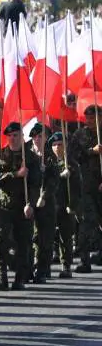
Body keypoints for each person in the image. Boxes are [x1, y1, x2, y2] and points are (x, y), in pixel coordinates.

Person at [0, 122, 41, 290]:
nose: (13, 139)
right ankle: (1, 277)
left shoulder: (31, 158)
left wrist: (31, 204)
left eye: (16, 135)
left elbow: (36, 185)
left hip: (23, 206)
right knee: (1, 241)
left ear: (22, 136)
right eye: (10, 136)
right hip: (4, 206)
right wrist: (16, 174)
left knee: (23, 243)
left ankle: (20, 278)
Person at [69, 105, 102, 274]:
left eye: (93, 118)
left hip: (100, 184)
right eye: (87, 118)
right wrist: (92, 151)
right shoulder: (79, 134)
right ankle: (84, 261)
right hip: (86, 186)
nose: (90, 121)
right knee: (86, 223)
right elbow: (73, 156)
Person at [29, 124, 58, 283]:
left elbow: (54, 181)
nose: (37, 139)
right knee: (33, 237)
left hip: (46, 203)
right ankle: (31, 267)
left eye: (41, 136)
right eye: (35, 136)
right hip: (30, 201)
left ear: (46, 138)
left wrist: (44, 196)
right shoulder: (28, 155)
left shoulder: (50, 156)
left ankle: (43, 269)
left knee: (45, 237)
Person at [50, 132, 80, 278]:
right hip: (51, 204)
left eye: (60, 144)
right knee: (46, 235)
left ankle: (66, 265)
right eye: (54, 145)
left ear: (66, 145)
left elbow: (77, 188)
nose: (57, 148)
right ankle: (43, 265)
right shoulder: (49, 163)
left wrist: (73, 205)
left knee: (65, 236)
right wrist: (60, 175)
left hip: (66, 205)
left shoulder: (72, 163)